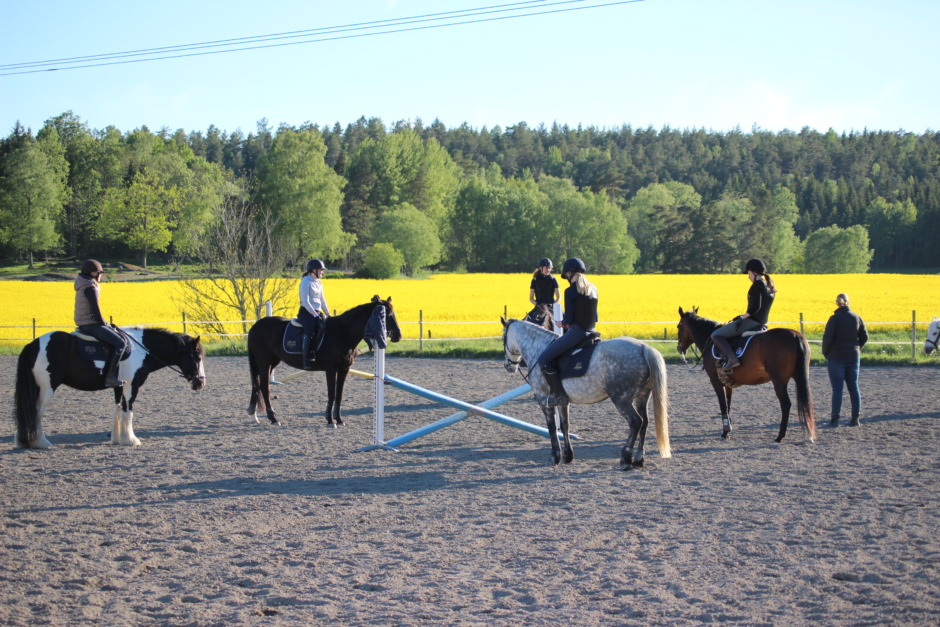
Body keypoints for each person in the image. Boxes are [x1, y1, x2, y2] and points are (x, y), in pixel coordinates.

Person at [536, 257, 598, 407]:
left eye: (567, 276)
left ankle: (560, 395)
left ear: (570, 273)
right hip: (592, 332)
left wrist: (560, 323)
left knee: (543, 360)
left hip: (577, 333)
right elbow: (595, 316)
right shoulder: (593, 289)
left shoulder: (570, 291)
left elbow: (568, 319)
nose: (567, 279)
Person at [711, 258, 776, 372]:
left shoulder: (756, 285)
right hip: (763, 322)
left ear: (754, 272)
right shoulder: (768, 286)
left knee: (716, 335)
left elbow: (755, 308)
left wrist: (741, 317)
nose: (748, 277)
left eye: (749, 273)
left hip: (751, 322)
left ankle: (732, 359)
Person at [74, 259, 128, 388]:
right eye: (99, 273)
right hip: (90, 324)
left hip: (84, 322)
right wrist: (105, 324)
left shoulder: (83, 284)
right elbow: (95, 311)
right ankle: (110, 377)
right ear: (93, 273)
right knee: (121, 343)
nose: (101, 275)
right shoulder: (89, 287)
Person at [822, 293, 868, 427]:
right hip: (853, 355)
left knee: (837, 389)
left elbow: (827, 338)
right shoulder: (856, 317)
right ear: (848, 302)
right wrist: (857, 346)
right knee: (854, 387)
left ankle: (835, 420)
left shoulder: (834, 319)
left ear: (837, 303)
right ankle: (855, 419)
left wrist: (826, 352)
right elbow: (865, 336)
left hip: (836, 356)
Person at [298, 259, 330, 370]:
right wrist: (314, 315)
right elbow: (306, 302)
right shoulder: (305, 282)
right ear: (314, 270)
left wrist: (328, 313)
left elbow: (322, 299)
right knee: (310, 330)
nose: (322, 272)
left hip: (316, 312)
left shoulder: (318, 282)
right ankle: (306, 359)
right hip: (306, 312)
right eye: (321, 270)